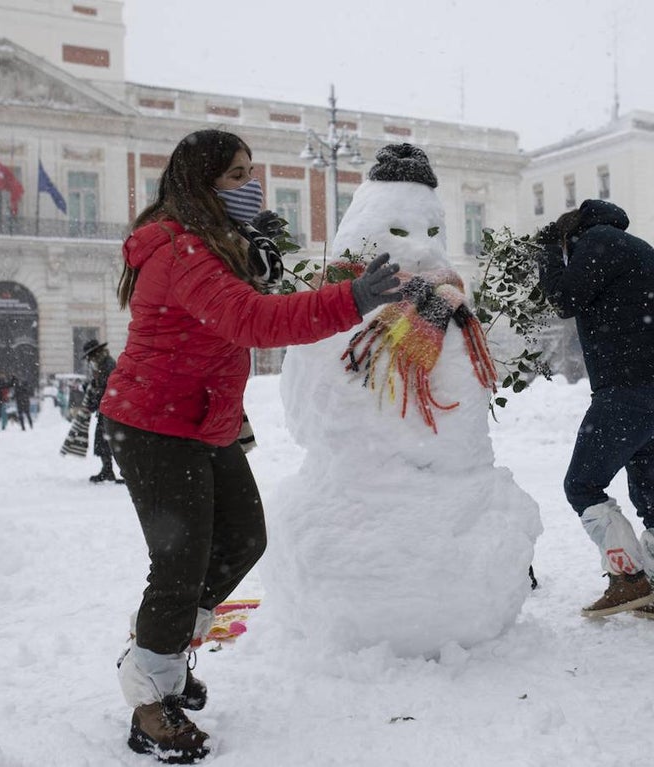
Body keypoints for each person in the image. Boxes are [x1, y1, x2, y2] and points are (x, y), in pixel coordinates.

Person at [98, 129, 402, 763]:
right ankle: (151, 700)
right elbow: (252, 321)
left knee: (243, 538)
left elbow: (241, 295)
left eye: (249, 172)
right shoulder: (182, 252)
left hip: (200, 421)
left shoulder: (210, 242)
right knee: (179, 566)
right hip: (154, 425)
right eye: (235, 176)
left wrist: (252, 252)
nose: (250, 185)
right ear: (201, 184)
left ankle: (166, 645)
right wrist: (352, 299)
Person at [535, 198, 654, 625]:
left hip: (627, 390)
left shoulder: (597, 242)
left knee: (582, 485)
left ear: (575, 235)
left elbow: (565, 299)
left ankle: (629, 580)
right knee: (649, 492)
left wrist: (548, 252)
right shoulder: (636, 247)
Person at [82, 339, 120, 483]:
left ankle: (112, 470)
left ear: (96, 353)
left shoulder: (107, 365)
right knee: (102, 441)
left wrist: (93, 401)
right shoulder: (102, 365)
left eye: (90, 356)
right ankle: (107, 469)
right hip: (106, 410)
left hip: (111, 410)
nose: (89, 359)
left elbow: (106, 389)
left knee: (108, 441)